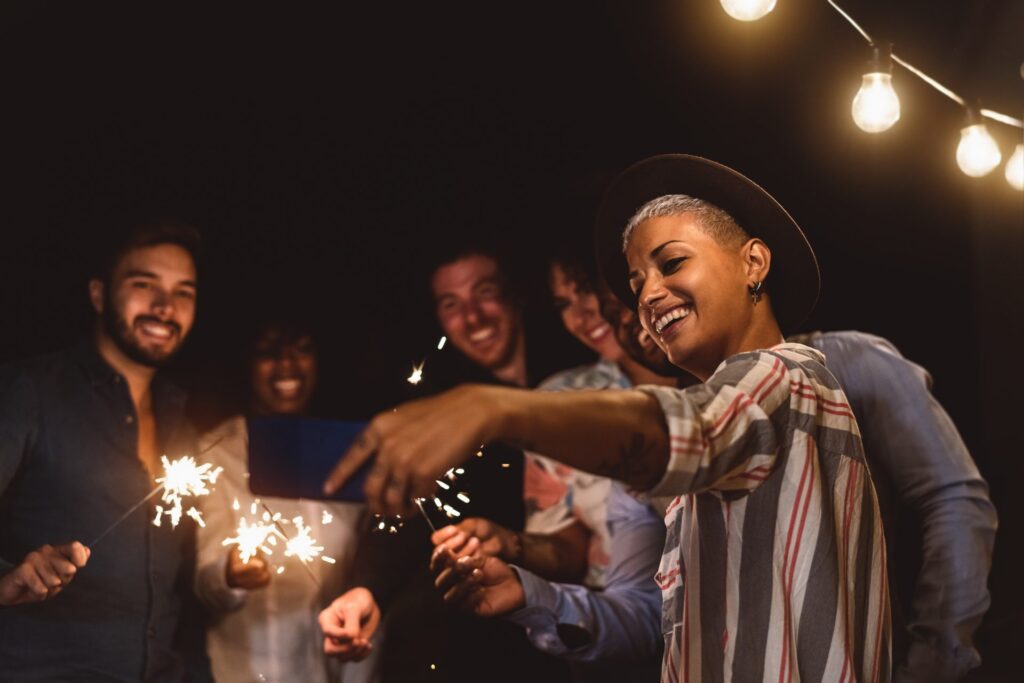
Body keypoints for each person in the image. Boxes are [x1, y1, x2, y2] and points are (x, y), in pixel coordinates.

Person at [326, 155, 893, 682]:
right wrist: (527, 594)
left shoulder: (786, 379)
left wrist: (492, 406)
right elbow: (646, 619)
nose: (648, 294)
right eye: (635, 283)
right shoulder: (705, 472)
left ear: (753, 261)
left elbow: (686, 429)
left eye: (671, 262)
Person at [602, 283, 996, 681]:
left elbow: (952, 500)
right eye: (617, 311)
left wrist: (935, 661)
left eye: (670, 267)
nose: (641, 310)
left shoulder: (850, 362)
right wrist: (540, 600)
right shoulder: (656, 457)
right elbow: (646, 609)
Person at [318, 244, 569, 682]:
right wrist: (367, 590)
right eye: (452, 305)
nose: (473, 318)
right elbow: (407, 511)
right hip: (491, 647)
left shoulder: (580, 371)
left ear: (516, 294)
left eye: (484, 292)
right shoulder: (440, 405)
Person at [429, 252, 674, 683]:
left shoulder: (721, 376)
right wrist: (512, 545)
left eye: (595, 294)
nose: (588, 313)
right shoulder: (557, 402)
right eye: (565, 303)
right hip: (611, 638)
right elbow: (578, 551)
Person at [0, 219, 206, 680]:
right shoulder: (29, 390)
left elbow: (186, 590)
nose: (164, 306)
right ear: (98, 294)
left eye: (183, 292)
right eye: (143, 284)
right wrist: (6, 576)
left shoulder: (186, 427)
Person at [194, 320, 367, 683]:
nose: (286, 364)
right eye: (268, 352)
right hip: (248, 673)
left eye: (301, 349)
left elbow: (375, 558)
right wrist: (231, 574)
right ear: (246, 363)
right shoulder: (219, 452)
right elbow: (207, 583)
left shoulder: (352, 448)